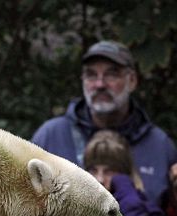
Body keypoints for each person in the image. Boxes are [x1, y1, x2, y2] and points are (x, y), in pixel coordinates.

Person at [32, 40, 177, 203]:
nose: (100, 84)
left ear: (132, 81)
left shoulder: (159, 146)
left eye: (111, 74)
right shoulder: (51, 137)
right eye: (91, 75)